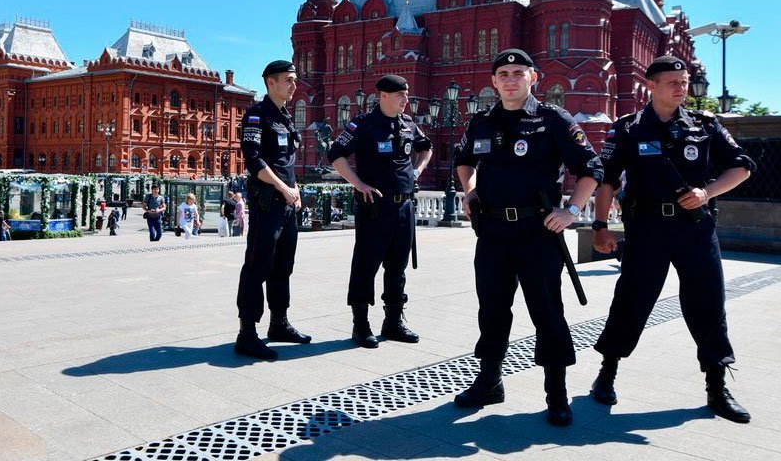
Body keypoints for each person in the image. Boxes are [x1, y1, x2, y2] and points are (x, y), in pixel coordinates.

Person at [590, 55, 756, 424]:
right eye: (673, 82)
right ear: (651, 86)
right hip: (646, 228)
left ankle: (717, 386)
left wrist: (706, 193)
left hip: (695, 229)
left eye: (684, 82)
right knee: (631, 301)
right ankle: (607, 372)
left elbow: (742, 166)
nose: (681, 88)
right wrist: (600, 226)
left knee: (708, 304)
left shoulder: (704, 125)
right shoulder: (627, 128)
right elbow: (607, 180)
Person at [452, 49, 602, 426]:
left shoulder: (553, 119)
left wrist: (571, 211)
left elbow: (591, 169)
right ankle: (489, 381)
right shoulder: (482, 121)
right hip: (493, 232)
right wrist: (470, 190)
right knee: (492, 308)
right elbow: (464, 160)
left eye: (518, 73)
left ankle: (556, 393)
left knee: (547, 311)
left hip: (539, 232)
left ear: (533, 77)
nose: (510, 80)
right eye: (503, 74)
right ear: (493, 81)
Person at [328, 74, 433, 349]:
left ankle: (394, 321)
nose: (406, 99)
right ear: (383, 96)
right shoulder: (363, 124)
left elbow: (426, 149)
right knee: (366, 265)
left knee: (398, 266)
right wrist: (358, 183)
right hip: (375, 207)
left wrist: (416, 172)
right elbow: (336, 153)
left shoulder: (408, 123)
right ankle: (360, 324)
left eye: (406, 94)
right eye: (400, 95)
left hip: (404, 206)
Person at [235, 59, 311, 360]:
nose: (294, 85)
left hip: (288, 204)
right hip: (268, 203)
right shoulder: (257, 115)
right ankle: (247, 333)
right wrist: (283, 188)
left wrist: (295, 189)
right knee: (257, 266)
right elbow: (253, 161)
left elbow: (286, 162)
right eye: (288, 80)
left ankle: (279, 323)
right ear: (271, 83)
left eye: (294, 80)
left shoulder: (285, 117)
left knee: (283, 266)